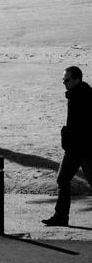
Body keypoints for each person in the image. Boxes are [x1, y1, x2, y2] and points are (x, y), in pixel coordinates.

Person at [42, 66, 92, 226]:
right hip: (73, 149)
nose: (64, 83)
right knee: (62, 179)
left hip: (85, 150)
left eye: (67, 80)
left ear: (77, 79)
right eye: (63, 80)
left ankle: (61, 216)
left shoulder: (85, 97)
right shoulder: (74, 95)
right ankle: (61, 216)